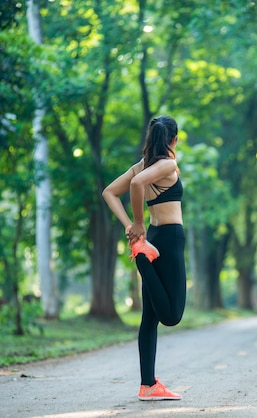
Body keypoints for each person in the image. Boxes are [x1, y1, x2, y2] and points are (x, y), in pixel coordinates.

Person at [102, 115, 186, 401]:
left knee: (149, 318)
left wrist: (131, 226)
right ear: (173, 139)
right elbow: (137, 185)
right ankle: (141, 260)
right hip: (170, 239)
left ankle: (147, 384)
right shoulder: (168, 164)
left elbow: (109, 193)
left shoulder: (142, 165)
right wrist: (137, 225)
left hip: (152, 238)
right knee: (172, 316)